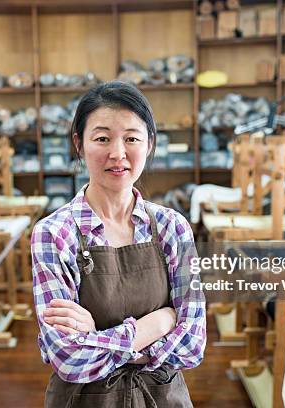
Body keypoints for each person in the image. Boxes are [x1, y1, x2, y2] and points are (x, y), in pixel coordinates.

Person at [31, 80, 206, 407]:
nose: (117, 153)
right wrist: (160, 322)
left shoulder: (172, 228)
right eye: (102, 138)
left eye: (131, 138)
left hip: (163, 397)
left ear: (150, 144)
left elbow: (193, 344)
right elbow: (68, 358)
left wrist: (97, 337)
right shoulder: (54, 234)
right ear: (79, 145)